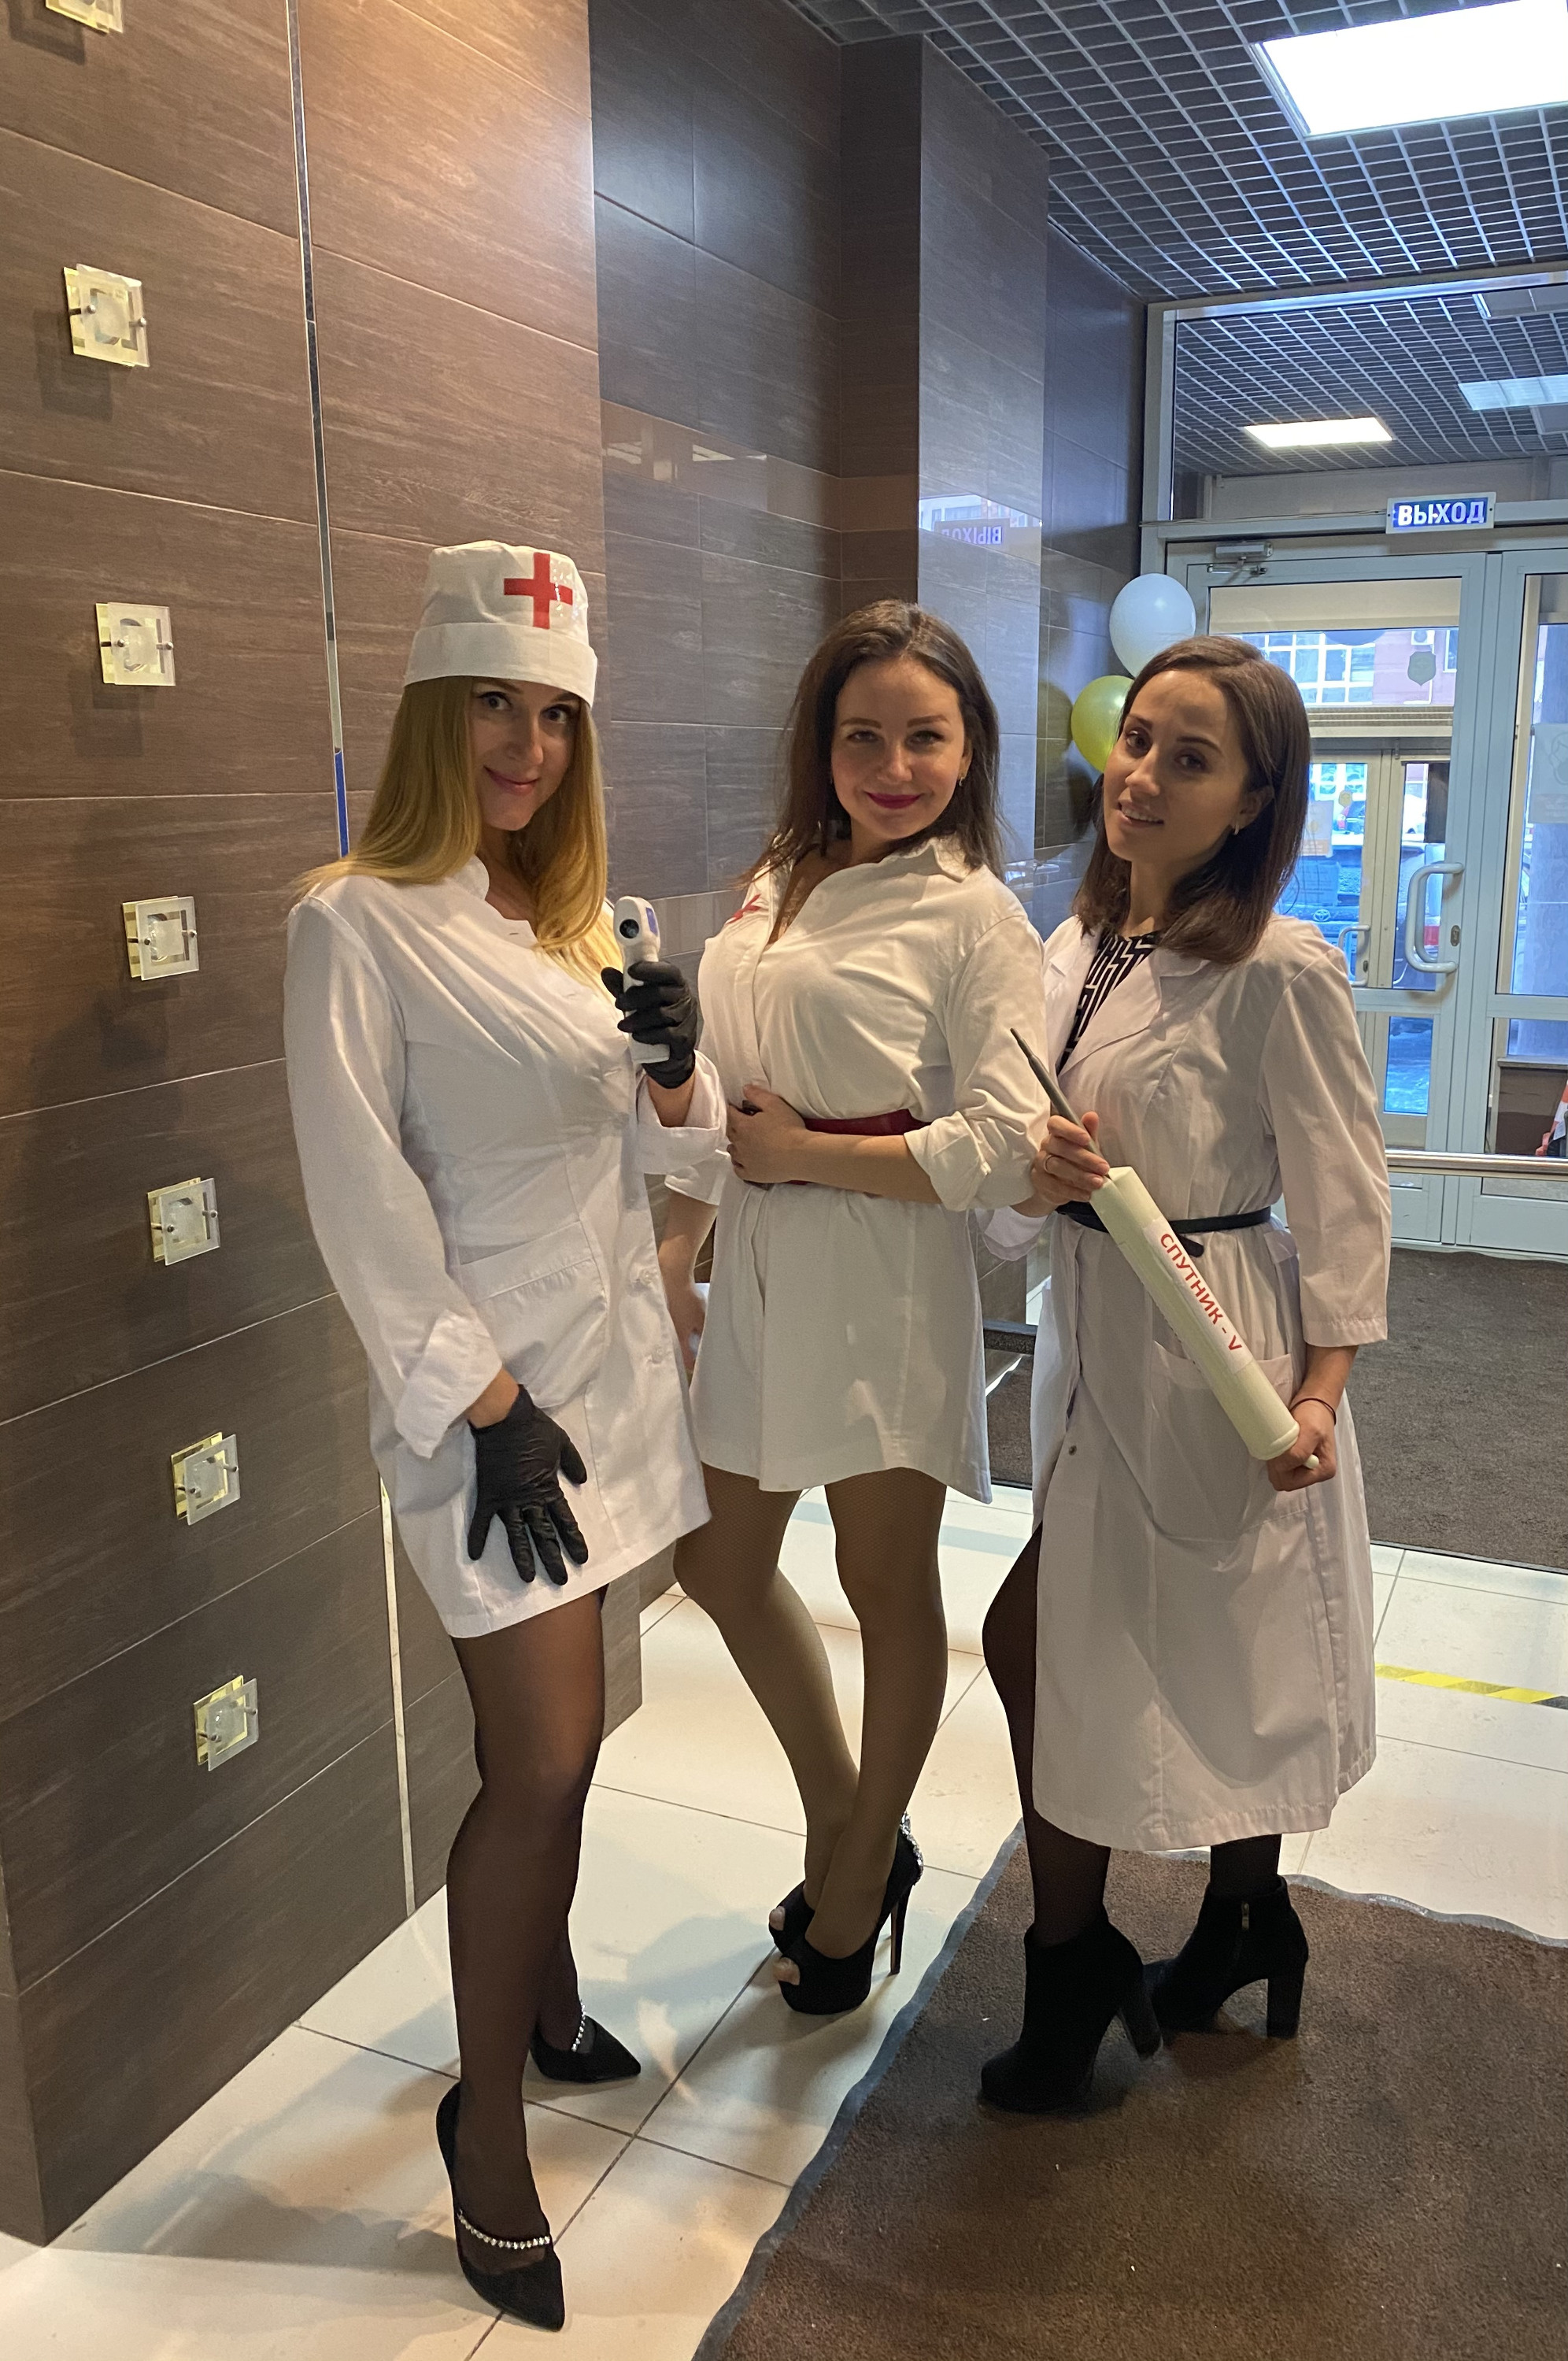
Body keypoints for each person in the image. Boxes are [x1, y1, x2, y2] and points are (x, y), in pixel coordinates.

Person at [283, 542, 724, 2330]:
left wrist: (679, 1063)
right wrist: (482, 1403)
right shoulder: (354, 923)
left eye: (554, 716)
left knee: (577, 1722)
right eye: (493, 706)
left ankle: (541, 2003)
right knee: (535, 1759)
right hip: (491, 1412)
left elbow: (678, 1155)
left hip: (608, 1384)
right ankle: (487, 2132)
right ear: (428, 711)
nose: (527, 748)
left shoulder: (587, 922)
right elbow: (359, 1191)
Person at [977, 633, 1390, 2112]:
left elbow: (1347, 1207)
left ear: (1252, 800)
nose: (1142, 775)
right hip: (1098, 1321)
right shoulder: (1071, 944)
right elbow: (1011, 1152)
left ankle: (1187, 1933)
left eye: (1191, 758)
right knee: (1050, 1643)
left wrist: (1317, 1397)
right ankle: (1151, 1942)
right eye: (1139, 739)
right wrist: (1030, 1171)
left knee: (1230, 1645)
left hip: (1222, 1341)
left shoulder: (1280, 968)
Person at [656, 601, 1049, 2015]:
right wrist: (685, 1214)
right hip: (761, 1266)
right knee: (716, 1563)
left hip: (883, 1273)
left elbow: (1007, 1144)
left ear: (970, 747)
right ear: (820, 746)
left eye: (925, 737)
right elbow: (731, 1095)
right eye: (862, 735)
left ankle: (860, 1864)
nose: (894, 767)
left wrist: (808, 1155)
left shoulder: (976, 913)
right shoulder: (778, 877)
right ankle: (847, 1818)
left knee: (887, 1589)